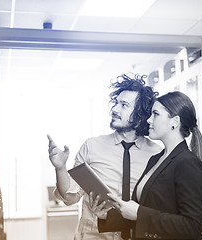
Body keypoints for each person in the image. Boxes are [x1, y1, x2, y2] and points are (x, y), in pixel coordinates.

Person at [47, 74, 163, 240]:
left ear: (141, 115)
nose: (115, 109)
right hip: (93, 236)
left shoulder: (157, 155)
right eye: (116, 103)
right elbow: (69, 198)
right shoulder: (92, 146)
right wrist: (60, 168)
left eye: (124, 105)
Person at [90, 91, 202, 240]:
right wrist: (106, 216)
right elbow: (142, 215)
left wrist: (140, 213)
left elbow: (192, 226)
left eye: (156, 114)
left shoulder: (188, 163)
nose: (148, 120)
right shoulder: (156, 159)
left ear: (174, 122)